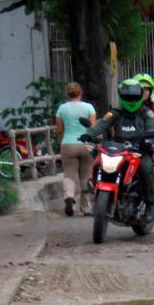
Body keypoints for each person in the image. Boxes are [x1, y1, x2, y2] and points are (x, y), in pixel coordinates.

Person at [82, 79, 154, 207]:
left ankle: (150, 200)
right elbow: (102, 123)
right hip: (117, 149)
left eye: (134, 97)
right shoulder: (116, 112)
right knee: (98, 163)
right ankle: (95, 187)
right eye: (128, 97)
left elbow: (152, 128)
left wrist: (148, 137)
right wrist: (89, 134)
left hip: (139, 150)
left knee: (146, 167)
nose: (131, 100)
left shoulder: (147, 113)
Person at [54, 82, 96, 217]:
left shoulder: (61, 109)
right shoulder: (89, 107)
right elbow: (93, 128)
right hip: (87, 144)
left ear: (67, 94)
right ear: (80, 93)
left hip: (68, 143)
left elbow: (59, 130)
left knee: (69, 174)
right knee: (86, 176)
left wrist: (61, 142)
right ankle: (86, 208)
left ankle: (69, 196)